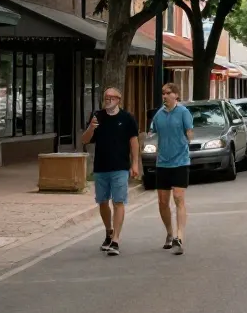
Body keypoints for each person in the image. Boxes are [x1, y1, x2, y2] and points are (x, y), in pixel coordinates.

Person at [81, 87, 140, 256]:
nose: (108, 100)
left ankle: (116, 240)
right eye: (106, 97)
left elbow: (134, 142)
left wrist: (134, 164)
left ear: (119, 100)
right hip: (101, 167)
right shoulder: (97, 116)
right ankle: (109, 231)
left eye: (112, 97)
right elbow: (84, 140)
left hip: (120, 167)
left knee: (118, 201)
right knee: (102, 202)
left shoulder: (127, 118)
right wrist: (91, 128)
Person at [151, 82, 193, 255]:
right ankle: (169, 232)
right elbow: (152, 133)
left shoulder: (183, 112)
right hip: (162, 162)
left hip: (180, 161)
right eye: (162, 93)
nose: (164, 96)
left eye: (167, 93)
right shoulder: (158, 115)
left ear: (175, 95)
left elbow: (189, 132)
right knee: (162, 202)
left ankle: (179, 237)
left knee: (178, 197)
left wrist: (187, 139)